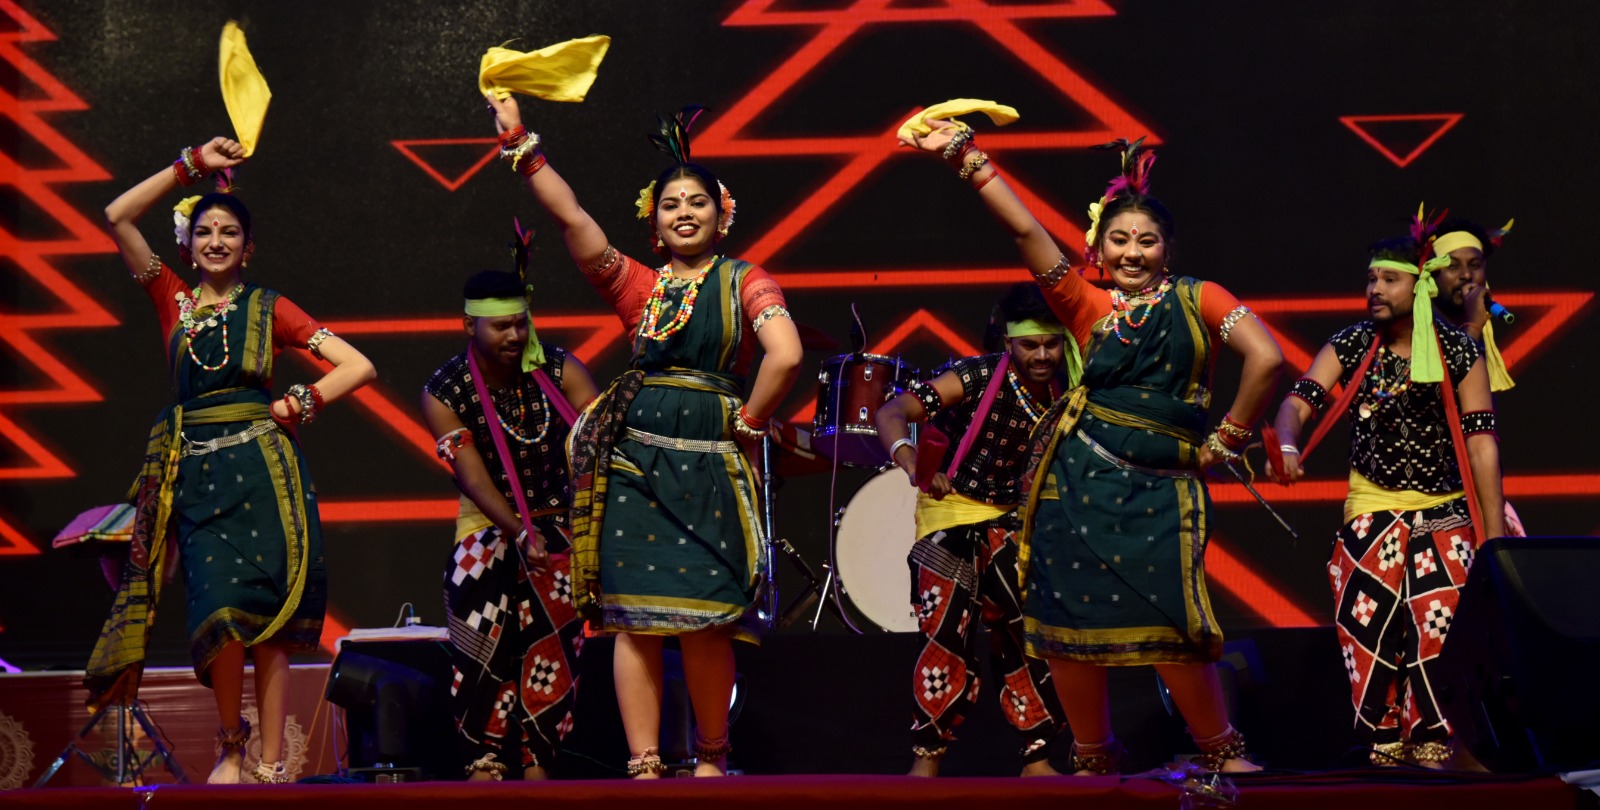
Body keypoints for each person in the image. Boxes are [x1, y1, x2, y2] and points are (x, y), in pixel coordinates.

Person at [900, 118, 1281, 774]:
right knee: (1068, 630)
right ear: (1098, 248)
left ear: (1168, 249)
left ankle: (1220, 749)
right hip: (1076, 489)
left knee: (1173, 622)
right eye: (1119, 240)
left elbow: (1268, 358)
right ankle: (1092, 760)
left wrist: (1228, 439)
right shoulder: (1085, 305)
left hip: (1163, 490)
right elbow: (1027, 232)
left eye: (1147, 241)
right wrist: (967, 158)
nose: (1133, 253)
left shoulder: (1201, 299)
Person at [485, 95, 803, 777]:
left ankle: (711, 759)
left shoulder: (746, 282)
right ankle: (645, 765)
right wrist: (521, 145)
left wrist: (749, 422)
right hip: (633, 470)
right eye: (670, 204)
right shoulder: (641, 289)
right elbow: (573, 219)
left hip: (710, 470)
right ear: (653, 222)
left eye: (697, 202)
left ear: (723, 215)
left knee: (707, 621)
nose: (684, 212)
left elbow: (787, 355)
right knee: (635, 620)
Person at [91, 137, 376, 784]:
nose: (215, 241)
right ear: (187, 246)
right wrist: (190, 166)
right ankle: (229, 747)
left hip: (264, 477)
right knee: (219, 615)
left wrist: (301, 401)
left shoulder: (270, 307)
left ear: (248, 249)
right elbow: (116, 215)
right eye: (204, 231)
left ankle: (271, 762)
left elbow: (358, 365)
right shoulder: (170, 297)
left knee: (267, 621)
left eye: (229, 233)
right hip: (198, 478)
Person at [1269, 232, 1504, 768]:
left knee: (1439, 635)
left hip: (1445, 514)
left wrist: (1492, 539)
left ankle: (1434, 747)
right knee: (1368, 634)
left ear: (1419, 287)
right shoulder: (1352, 344)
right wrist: (1286, 444)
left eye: (1388, 279)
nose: (1374, 289)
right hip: (1372, 511)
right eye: (1371, 279)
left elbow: (1481, 444)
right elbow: (1298, 403)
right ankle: (1384, 749)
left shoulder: (1458, 350)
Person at [875, 282, 1073, 777]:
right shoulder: (977, 375)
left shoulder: (1068, 387)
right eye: (1030, 344)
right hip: (952, 512)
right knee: (944, 634)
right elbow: (892, 411)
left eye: (1051, 343)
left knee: (1027, 633)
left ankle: (1038, 757)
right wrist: (910, 459)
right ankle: (927, 759)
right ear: (1008, 342)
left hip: (1014, 518)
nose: (1042, 355)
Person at [421, 269, 599, 780]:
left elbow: (599, 442)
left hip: (559, 524)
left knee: (555, 653)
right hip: (486, 528)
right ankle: (484, 762)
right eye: (501, 326)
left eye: (521, 323)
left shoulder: (560, 369)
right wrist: (520, 531)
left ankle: (538, 763)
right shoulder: (445, 389)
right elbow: (474, 478)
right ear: (469, 325)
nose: (515, 335)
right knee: (481, 649)